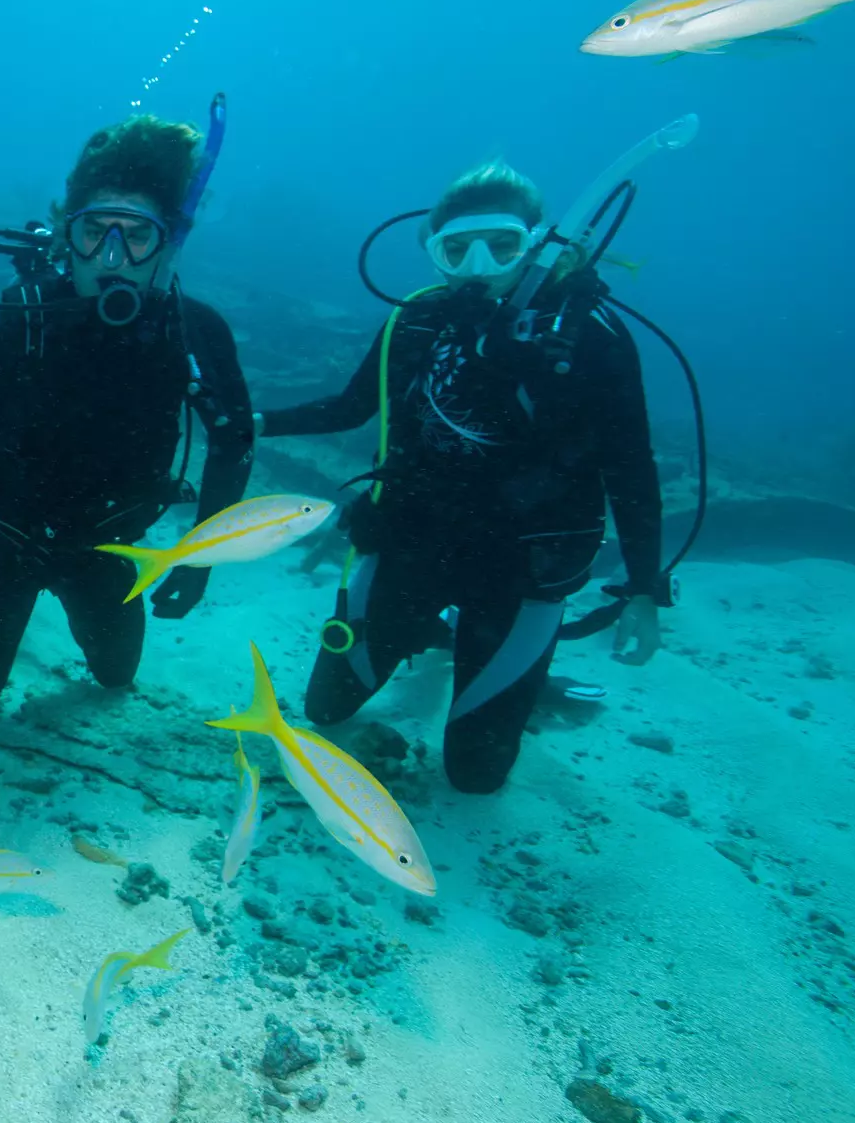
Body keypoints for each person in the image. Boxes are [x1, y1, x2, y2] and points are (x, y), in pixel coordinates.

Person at [258, 162, 669, 793]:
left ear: (539, 242)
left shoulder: (589, 336)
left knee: (476, 775)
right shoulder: (419, 319)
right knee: (323, 710)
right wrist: (251, 421)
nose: (479, 264)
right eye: (457, 248)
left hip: (523, 572)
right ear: (435, 254)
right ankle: (455, 643)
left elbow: (631, 463)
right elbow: (351, 407)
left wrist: (644, 587)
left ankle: (506, 664)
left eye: (502, 245)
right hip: (410, 543)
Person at [0, 116, 253, 700]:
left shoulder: (194, 331)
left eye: (135, 235)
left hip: (105, 549)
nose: (112, 256)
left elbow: (234, 442)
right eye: (94, 232)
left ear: (167, 244)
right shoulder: (10, 332)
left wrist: (198, 561)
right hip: (0, 542)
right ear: (68, 240)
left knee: (116, 677)